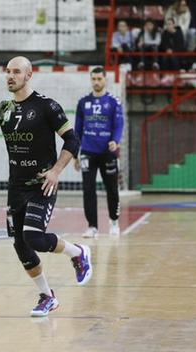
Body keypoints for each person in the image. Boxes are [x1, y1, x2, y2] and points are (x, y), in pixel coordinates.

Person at [0, 56, 92, 317]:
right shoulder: (4, 109)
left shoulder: (47, 106)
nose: (10, 75)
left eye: (16, 71)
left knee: (35, 237)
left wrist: (55, 171)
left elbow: (72, 140)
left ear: (29, 75)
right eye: (7, 71)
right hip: (16, 187)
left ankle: (78, 253)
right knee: (21, 245)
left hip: (42, 184)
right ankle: (47, 296)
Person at [74, 67, 124, 239]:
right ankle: (92, 226)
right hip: (88, 151)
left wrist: (115, 141)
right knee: (88, 190)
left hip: (107, 152)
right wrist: (75, 154)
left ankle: (114, 221)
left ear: (105, 80)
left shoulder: (113, 101)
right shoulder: (83, 102)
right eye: (93, 79)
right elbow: (78, 130)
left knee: (112, 189)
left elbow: (119, 124)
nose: (96, 82)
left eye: (99, 79)